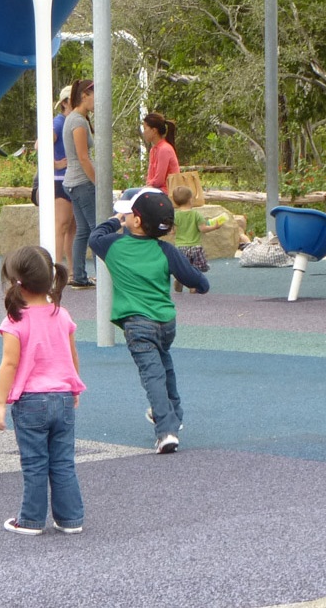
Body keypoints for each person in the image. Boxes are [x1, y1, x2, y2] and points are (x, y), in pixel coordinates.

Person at [88, 187, 209, 453]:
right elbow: (194, 278)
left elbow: (95, 237)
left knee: (152, 374)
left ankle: (165, 430)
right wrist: (201, 285)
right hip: (166, 323)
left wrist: (114, 222)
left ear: (137, 221)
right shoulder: (165, 250)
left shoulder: (113, 245)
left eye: (129, 215)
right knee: (164, 365)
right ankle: (173, 415)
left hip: (137, 325)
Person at [0, 245, 86, 535]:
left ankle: (31, 520)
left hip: (31, 401)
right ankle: (70, 519)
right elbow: (72, 355)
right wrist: (74, 387)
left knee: (34, 463)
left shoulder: (15, 320)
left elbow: (10, 363)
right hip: (62, 397)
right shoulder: (61, 314)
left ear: (15, 282)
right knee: (63, 461)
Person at [31, 87, 76, 271]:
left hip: (70, 178)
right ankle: (57, 267)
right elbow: (39, 145)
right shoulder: (59, 122)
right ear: (65, 102)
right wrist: (55, 164)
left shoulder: (73, 122)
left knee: (72, 228)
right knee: (62, 225)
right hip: (58, 180)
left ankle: (72, 270)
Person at [62, 79, 98, 289]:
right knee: (97, 229)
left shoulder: (76, 118)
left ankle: (79, 276)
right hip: (82, 182)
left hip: (74, 182)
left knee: (83, 230)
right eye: (94, 96)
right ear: (85, 95)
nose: (96, 101)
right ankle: (102, 275)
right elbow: (83, 157)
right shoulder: (77, 121)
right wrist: (98, 183)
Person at [169, 185, 222, 291]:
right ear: (190, 200)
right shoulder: (196, 215)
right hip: (195, 247)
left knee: (182, 267)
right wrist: (214, 227)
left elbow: (172, 231)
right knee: (196, 268)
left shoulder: (175, 216)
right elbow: (203, 229)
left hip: (181, 247)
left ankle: (179, 280)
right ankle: (193, 286)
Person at [142, 112, 179, 189]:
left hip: (166, 192)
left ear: (154, 130)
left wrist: (148, 186)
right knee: (129, 193)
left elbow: (159, 181)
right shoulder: (153, 150)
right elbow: (150, 176)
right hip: (155, 190)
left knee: (129, 193)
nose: (144, 132)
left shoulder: (164, 149)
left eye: (145, 129)